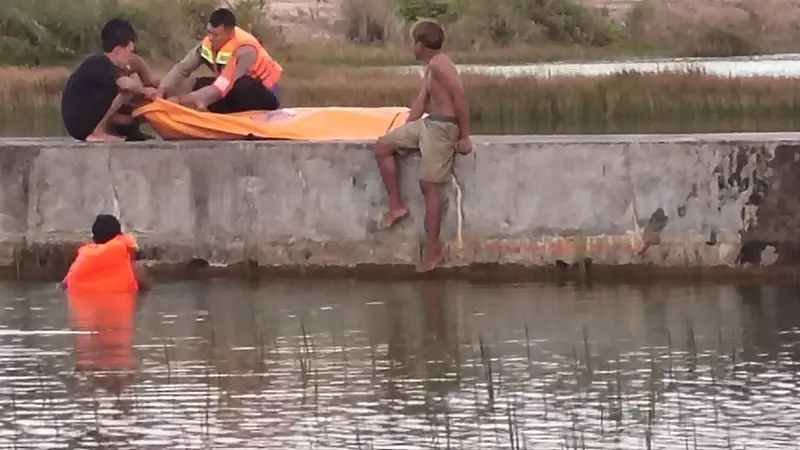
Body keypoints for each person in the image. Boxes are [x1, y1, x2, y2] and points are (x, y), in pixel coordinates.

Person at [372, 20, 473, 273]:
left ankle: (433, 249)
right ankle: (397, 206)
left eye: (413, 42)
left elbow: (460, 95)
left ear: (421, 44)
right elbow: (421, 102)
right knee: (383, 146)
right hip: (428, 125)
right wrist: (403, 129)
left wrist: (465, 135)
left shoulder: (441, 64)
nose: (411, 47)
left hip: (443, 128)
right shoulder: (430, 68)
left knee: (428, 184)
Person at [156, 8, 283, 113]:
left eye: (216, 35)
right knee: (200, 84)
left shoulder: (246, 50)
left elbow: (222, 86)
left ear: (229, 34)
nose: (210, 38)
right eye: (209, 32)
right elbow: (182, 69)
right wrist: (162, 89)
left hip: (264, 93)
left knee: (243, 85)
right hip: (229, 89)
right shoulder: (207, 44)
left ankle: (243, 118)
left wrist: (180, 100)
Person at [60, 18, 158, 142]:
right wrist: (144, 91)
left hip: (82, 119)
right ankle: (97, 132)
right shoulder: (100, 63)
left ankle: (118, 130)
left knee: (132, 87)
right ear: (118, 50)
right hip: (79, 123)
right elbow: (126, 85)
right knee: (128, 89)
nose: (131, 57)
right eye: (129, 52)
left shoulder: (107, 66)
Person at [60, 214, 150, 293]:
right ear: (119, 236)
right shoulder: (130, 262)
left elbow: (64, 285)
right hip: (119, 306)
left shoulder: (84, 258)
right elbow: (145, 288)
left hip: (86, 307)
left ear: (94, 239)